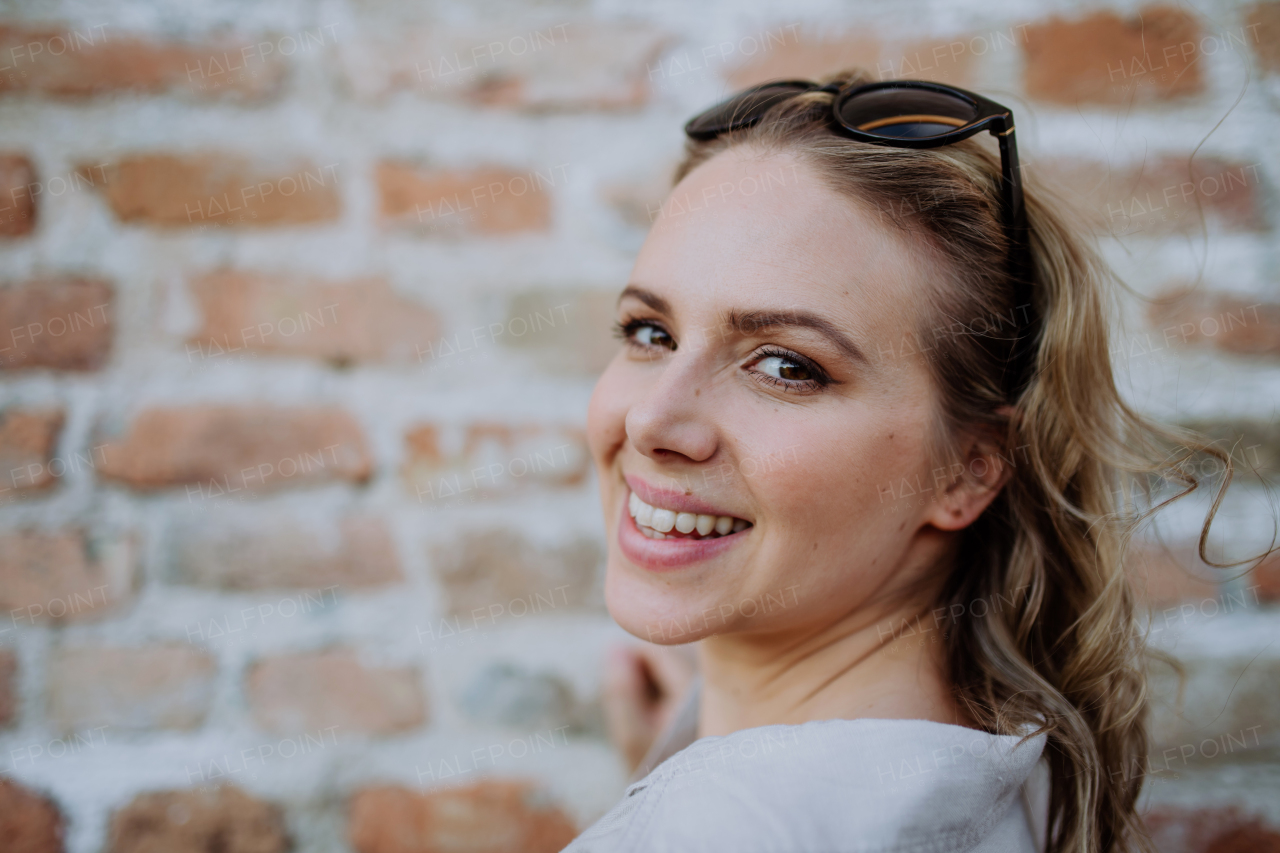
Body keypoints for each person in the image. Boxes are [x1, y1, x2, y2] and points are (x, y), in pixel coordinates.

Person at [564, 69, 1247, 853]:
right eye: (651, 332)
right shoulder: (1005, 766)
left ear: (970, 469)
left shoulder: (725, 826)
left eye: (787, 365)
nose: (652, 419)